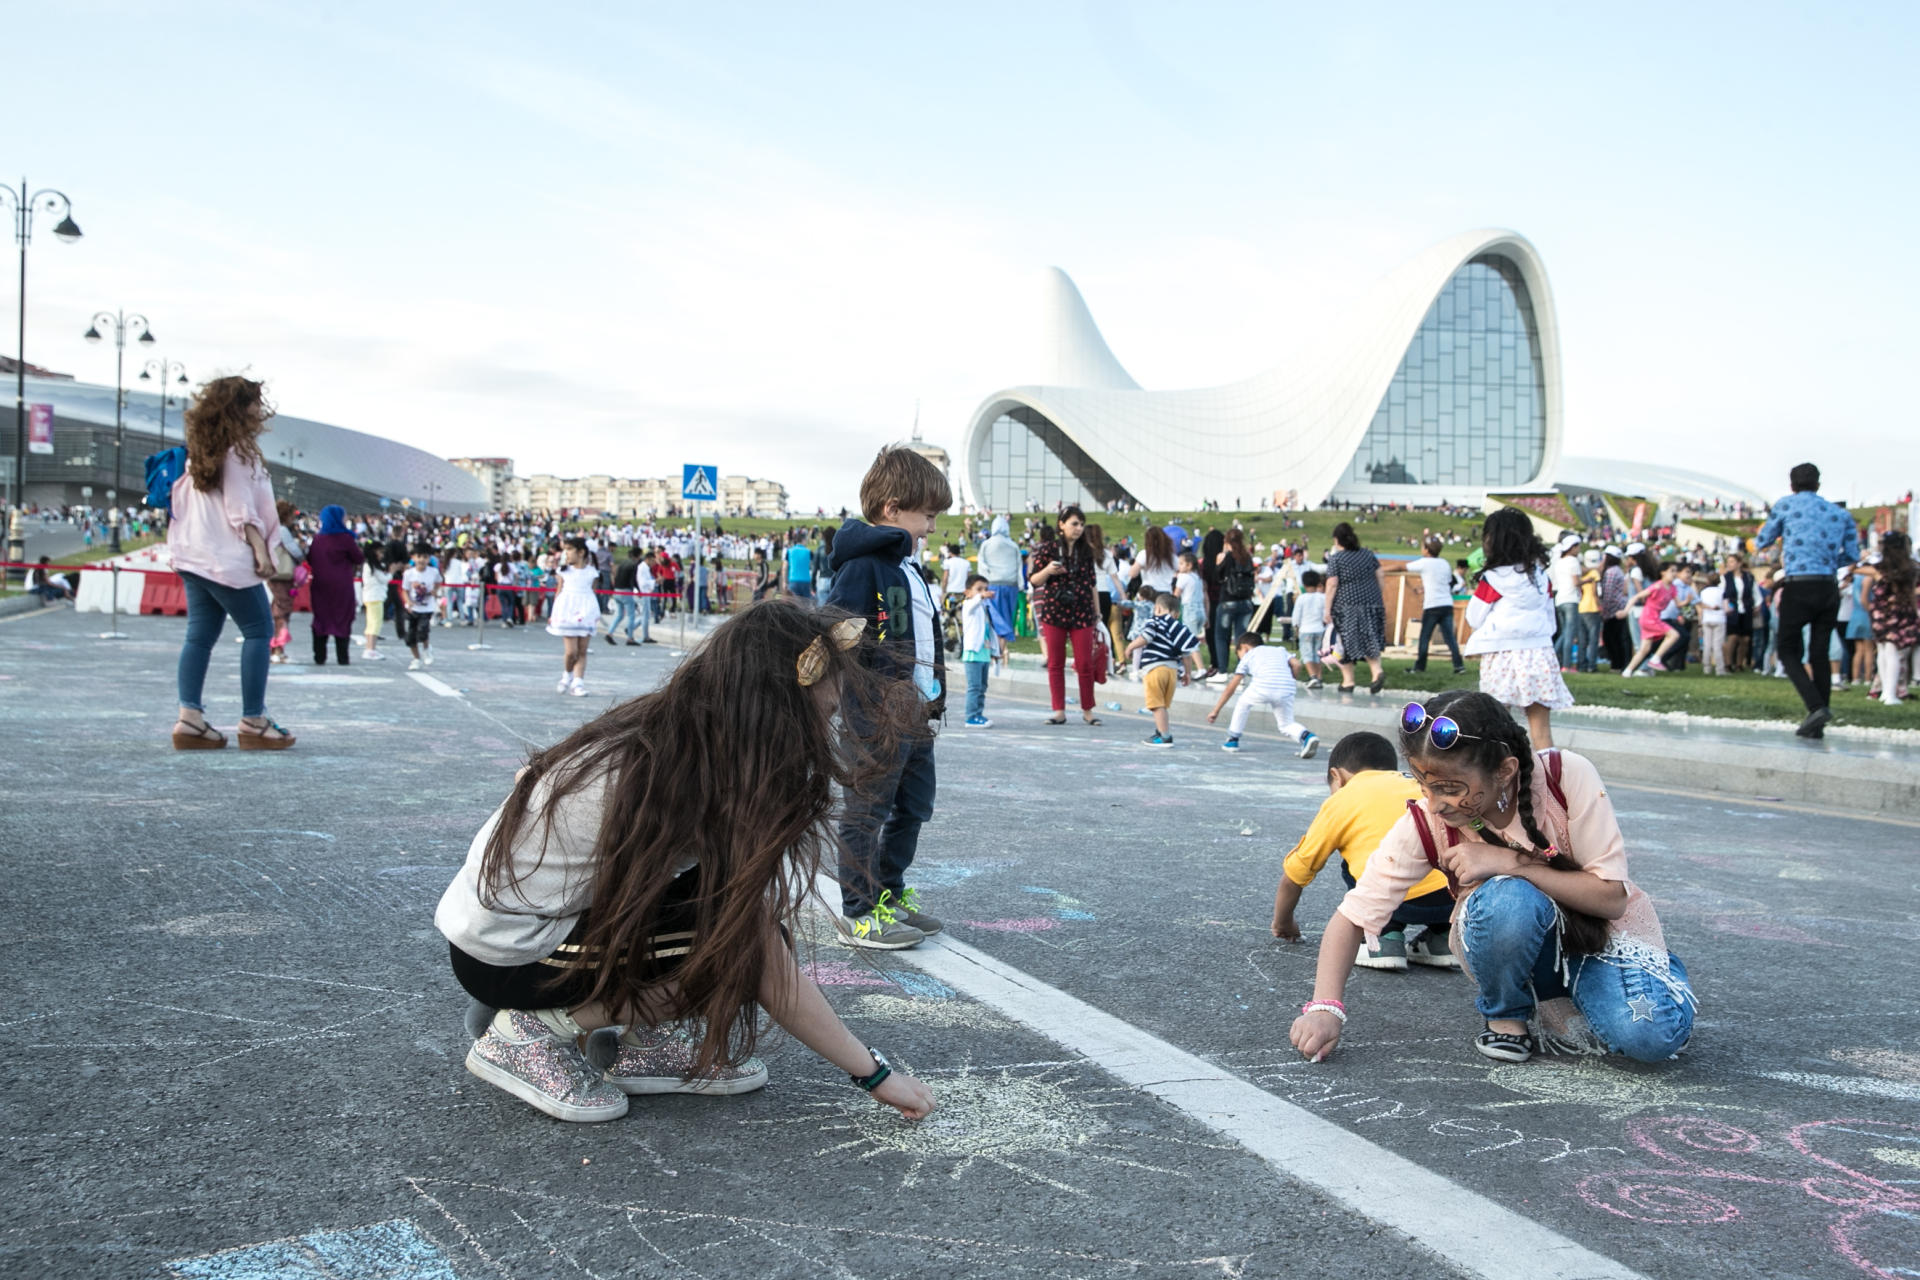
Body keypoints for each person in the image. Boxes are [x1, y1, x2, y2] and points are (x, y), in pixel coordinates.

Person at [435, 600, 936, 1124]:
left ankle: (626, 1036)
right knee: (739, 951)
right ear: (779, 704)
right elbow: (760, 953)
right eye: (824, 710)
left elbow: (530, 781)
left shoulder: (671, 733)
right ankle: (532, 1029)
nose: (829, 721)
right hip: (512, 952)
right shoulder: (692, 779)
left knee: (725, 919)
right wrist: (873, 1074)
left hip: (494, 935)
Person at [1289, 690, 1696, 1066]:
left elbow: (1611, 900)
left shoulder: (1564, 775)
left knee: (1648, 1038)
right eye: (1422, 783)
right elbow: (1353, 915)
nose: (1434, 803)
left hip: (1598, 939)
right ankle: (1507, 1014)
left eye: (1449, 787)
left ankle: (1648, 980)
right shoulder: (1426, 820)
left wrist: (1509, 862)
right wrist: (1325, 1008)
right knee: (1508, 898)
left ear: (1505, 771)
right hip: (1519, 934)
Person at [825, 445, 951, 950]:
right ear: (893, 508)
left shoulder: (909, 568)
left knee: (914, 807)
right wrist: (863, 699)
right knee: (866, 812)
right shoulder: (863, 567)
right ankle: (858, 913)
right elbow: (838, 634)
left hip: (915, 716)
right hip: (875, 717)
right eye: (928, 516)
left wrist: (931, 700)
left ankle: (887, 895)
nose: (932, 528)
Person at [164, 376, 295, 751]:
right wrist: (261, 552)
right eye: (254, 402)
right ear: (240, 408)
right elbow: (241, 510)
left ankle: (190, 719)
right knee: (258, 630)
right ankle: (253, 720)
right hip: (226, 559)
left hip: (193, 556)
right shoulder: (238, 452)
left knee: (199, 636)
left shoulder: (200, 453)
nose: (260, 409)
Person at [1270, 731, 1456, 971]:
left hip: (1396, 900)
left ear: (1337, 777)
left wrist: (1283, 923)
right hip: (1453, 898)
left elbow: (1295, 876)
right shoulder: (1416, 783)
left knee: (1355, 863)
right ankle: (1444, 938)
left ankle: (1382, 936)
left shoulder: (1343, 798)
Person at [1755, 463, 1859, 739]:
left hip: (1799, 584)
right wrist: (1828, 562)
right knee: (1819, 652)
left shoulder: (1786, 505)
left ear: (1792, 485)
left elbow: (1762, 540)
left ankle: (1815, 707)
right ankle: (1818, 724)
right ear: (1818, 484)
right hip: (1827, 585)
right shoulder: (1839, 513)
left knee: (1787, 649)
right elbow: (1852, 555)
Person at [1463, 508, 1571, 750]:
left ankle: (1504, 770)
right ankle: (1549, 772)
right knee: (1541, 730)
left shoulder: (1492, 579)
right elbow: (1551, 621)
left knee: (1497, 724)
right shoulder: (1541, 577)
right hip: (1539, 654)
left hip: (1502, 656)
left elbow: (1474, 618)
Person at [1028, 505, 1104, 726]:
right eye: (1074, 524)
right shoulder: (1048, 549)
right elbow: (1034, 580)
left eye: (1081, 524)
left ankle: (1088, 710)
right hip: (1054, 611)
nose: (1078, 528)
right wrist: (1048, 570)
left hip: (1082, 612)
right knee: (1055, 663)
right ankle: (1059, 710)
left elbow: (1092, 584)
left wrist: (1097, 613)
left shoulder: (1086, 550)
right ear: (1061, 525)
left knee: (1085, 663)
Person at [1206, 632, 1320, 758]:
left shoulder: (1249, 655)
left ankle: (1233, 739)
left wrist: (1216, 710)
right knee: (1286, 724)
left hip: (1263, 686)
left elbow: (1232, 687)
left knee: (1243, 703)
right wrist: (1290, 679)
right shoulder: (1280, 650)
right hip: (1286, 688)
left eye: (1239, 654)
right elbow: (1297, 664)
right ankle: (1307, 736)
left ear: (1244, 647)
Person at [1126, 589, 1202, 748]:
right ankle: (1160, 731)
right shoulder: (1178, 627)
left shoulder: (1154, 621)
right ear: (1176, 613)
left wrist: (1131, 647)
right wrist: (1187, 673)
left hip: (1155, 669)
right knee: (1163, 705)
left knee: (1156, 705)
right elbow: (1187, 653)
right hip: (1172, 671)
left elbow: (1146, 637)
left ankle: (1165, 737)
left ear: (1158, 609)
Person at [1323, 522, 1387, 695]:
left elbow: (1332, 584)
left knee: (1344, 642)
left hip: (1347, 606)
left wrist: (1327, 609)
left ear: (1337, 540)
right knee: (1369, 638)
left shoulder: (1337, 558)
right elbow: (1380, 575)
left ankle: (1348, 681)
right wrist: (1377, 595)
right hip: (1373, 602)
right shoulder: (1367, 554)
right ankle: (1376, 672)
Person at [1868, 531, 1919, 706]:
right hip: (1900, 614)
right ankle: (1889, 693)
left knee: (1883, 650)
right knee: (1892, 652)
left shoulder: (1878, 569)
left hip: (1881, 613)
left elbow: (1852, 568)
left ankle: (1886, 692)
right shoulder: (1911, 568)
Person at [547, 537, 602, 697]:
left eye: (570, 549)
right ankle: (567, 674)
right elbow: (559, 591)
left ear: (581, 552)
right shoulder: (564, 571)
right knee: (571, 651)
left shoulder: (592, 572)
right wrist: (553, 613)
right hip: (567, 610)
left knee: (582, 650)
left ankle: (578, 682)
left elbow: (592, 592)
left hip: (586, 609)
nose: (567, 553)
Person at [1406, 537, 1464, 675]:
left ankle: (1420, 667)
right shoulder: (1444, 563)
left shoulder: (1424, 562)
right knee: (1450, 638)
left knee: (1425, 637)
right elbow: (1445, 582)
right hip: (1446, 604)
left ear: (1426, 550)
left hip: (1432, 605)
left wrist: (1381, 568)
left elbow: (1402, 567)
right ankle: (1459, 666)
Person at [1622, 559, 1683, 679]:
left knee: (1644, 649)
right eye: (1672, 571)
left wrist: (1689, 600)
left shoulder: (1672, 588)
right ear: (1663, 573)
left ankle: (1627, 672)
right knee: (1674, 634)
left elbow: (1679, 604)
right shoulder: (1657, 586)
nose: (1674, 574)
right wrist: (1625, 611)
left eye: (1676, 571)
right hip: (1649, 618)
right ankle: (1656, 658)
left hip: (1654, 618)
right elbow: (1636, 597)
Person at [1213, 529, 1259, 676]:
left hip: (1228, 600)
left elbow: (1218, 577)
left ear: (1226, 541)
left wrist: (1219, 562)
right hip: (1246, 601)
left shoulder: (1227, 557)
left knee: (1221, 636)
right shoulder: (1247, 557)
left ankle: (1222, 670)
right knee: (1242, 639)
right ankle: (1241, 671)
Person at [266, 498, 304, 665]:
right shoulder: (282, 530)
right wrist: (303, 554)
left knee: (277, 607)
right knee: (283, 610)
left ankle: (274, 647)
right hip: (283, 574)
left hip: (273, 573)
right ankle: (278, 648)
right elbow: (294, 550)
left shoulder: (270, 528)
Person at [978, 514, 1023, 645]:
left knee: (995, 620)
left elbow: (982, 565)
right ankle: (1003, 648)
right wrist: (1020, 585)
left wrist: (982, 586)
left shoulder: (986, 544)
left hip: (992, 584)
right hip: (1011, 585)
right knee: (1007, 618)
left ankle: (998, 651)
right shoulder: (1013, 545)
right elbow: (1019, 566)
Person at [400, 546, 443, 671]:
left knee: (422, 631)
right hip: (413, 608)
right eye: (419, 557)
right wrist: (408, 602)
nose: (422, 560)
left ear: (429, 559)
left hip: (427, 607)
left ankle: (426, 649)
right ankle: (416, 658)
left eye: (425, 557)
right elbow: (405, 590)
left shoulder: (433, 572)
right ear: (414, 558)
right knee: (411, 635)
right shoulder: (409, 573)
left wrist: (435, 590)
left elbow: (439, 581)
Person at [959, 574, 994, 728]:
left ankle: (978, 714)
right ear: (967, 592)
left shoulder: (983, 608)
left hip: (984, 653)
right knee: (974, 687)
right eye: (979, 589)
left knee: (982, 687)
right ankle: (971, 717)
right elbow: (973, 604)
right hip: (973, 654)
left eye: (985, 589)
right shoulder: (968, 605)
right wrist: (981, 596)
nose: (983, 592)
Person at [1549, 536, 1584, 670]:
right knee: (1568, 634)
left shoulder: (1560, 561)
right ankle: (1565, 664)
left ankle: (1554, 659)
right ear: (1572, 547)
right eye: (1578, 547)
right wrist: (1589, 580)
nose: (1579, 549)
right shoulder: (1573, 561)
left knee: (1565, 633)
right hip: (1571, 599)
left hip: (1560, 599)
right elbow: (1576, 582)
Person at [1721, 554, 1759, 672]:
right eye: (1728, 562)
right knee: (1733, 637)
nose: (1729, 564)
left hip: (1746, 609)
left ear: (1739, 563)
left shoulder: (1749, 577)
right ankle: (1728, 663)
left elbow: (1755, 593)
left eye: (1732, 561)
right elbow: (1722, 593)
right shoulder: (1725, 578)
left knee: (1745, 639)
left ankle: (1739, 664)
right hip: (1732, 611)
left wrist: (1756, 605)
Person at [1291, 570, 1328, 689]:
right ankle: (1319, 676)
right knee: (1318, 654)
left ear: (1304, 584)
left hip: (1306, 629)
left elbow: (1296, 616)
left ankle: (1313, 676)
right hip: (1320, 629)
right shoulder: (1323, 597)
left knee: (1307, 654)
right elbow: (1325, 613)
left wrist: (1296, 626)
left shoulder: (1301, 598)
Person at [1598, 548, 1632, 671]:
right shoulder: (1617, 570)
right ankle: (1619, 664)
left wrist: (1604, 611)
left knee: (1611, 638)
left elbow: (1608, 593)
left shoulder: (1611, 572)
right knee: (1616, 638)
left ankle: (1617, 664)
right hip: (1617, 608)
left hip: (1614, 610)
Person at [609, 545, 649, 645]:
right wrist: (638, 590)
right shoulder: (633, 565)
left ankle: (610, 633)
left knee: (619, 615)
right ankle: (630, 638)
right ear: (638, 555)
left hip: (617, 590)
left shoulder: (623, 563)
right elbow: (633, 580)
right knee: (631, 615)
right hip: (626, 591)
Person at [1575, 549, 1604, 674]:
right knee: (1593, 639)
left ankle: (1581, 664)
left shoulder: (1579, 573)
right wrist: (1600, 606)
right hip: (1592, 607)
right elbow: (1595, 592)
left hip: (1580, 606)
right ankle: (1592, 665)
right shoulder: (1594, 573)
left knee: (1582, 639)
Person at [359, 545, 390, 661]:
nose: (382, 555)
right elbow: (384, 579)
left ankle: (369, 648)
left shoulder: (369, 565)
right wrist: (391, 572)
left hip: (370, 597)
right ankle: (371, 649)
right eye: (380, 552)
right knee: (375, 624)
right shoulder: (372, 566)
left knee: (371, 623)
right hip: (375, 597)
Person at [1697, 571, 1727, 676]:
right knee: (1717, 645)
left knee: (1707, 645)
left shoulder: (1703, 592)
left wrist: (1700, 620)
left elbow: (1701, 606)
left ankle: (1707, 668)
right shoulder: (1722, 591)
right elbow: (1726, 607)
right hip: (1719, 619)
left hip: (1707, 618)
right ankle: (1720, 669)